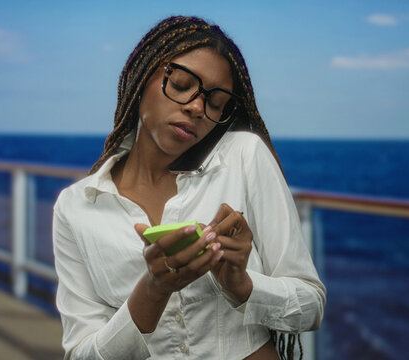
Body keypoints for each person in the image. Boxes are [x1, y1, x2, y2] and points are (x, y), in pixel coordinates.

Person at [53, 15, 326, 360]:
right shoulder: (77, 207)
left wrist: (240, 285)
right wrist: (153, 291)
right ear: (141, 78)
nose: (197, 108)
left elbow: (311, 304)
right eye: (181, 84)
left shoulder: (243, 155)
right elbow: (82, 355)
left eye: (214, 104)